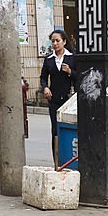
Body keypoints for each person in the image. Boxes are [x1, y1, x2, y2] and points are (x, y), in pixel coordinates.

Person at [39, 30, 77, 163]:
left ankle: (70, 159)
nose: (55, 44)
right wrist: (45, 88)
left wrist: (70, 72)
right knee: (55, 129)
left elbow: (80, 77)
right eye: (53, 41)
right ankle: (57, 160)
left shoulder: (72, 57)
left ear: (64, 42)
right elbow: (43, 77)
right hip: (54, 99)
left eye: (58, 41)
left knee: (70, 129)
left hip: (69, 100)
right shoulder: (49, 59)